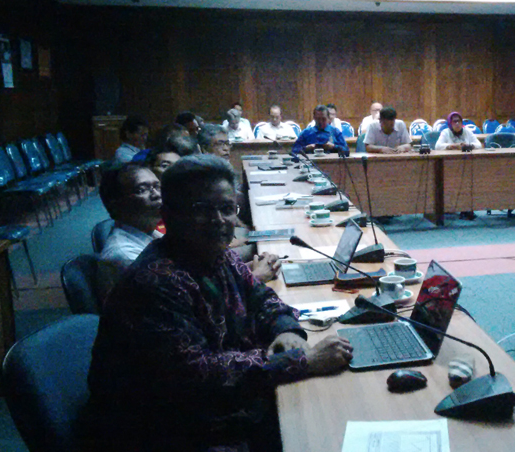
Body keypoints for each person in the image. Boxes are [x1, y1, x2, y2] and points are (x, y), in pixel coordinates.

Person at [84, 155, 352, 452]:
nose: (219, 220)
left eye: (226, 209)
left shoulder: (216, 254)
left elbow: (261, 296)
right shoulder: (155, 282)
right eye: (201, 209)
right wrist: (303, 361)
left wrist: (286, 329)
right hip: (164, 430)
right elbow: (201, 375)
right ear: (168, 214)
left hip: (216, 410)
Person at [96, 163, 163, 306]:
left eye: (157, 186)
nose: (157, 194)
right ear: (116, 204)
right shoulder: (125, 255)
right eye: (142, 190)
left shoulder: (147, 231)